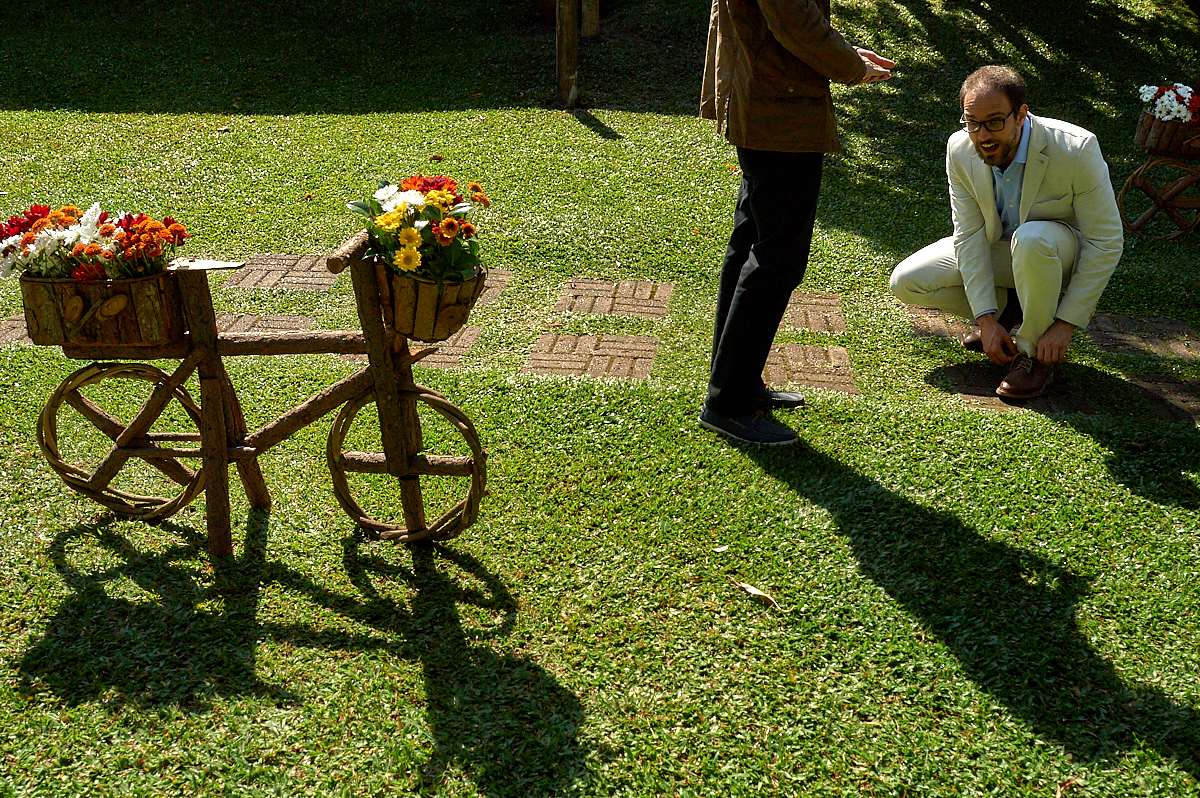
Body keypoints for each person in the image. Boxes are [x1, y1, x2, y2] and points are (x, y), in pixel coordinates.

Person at [698, 0, 894, 446]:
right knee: (776, 257)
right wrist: (851, 66)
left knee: (752, 243)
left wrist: (846, 54)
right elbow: (793, 19)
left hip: (765, 96)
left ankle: (735, 383)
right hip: (776, 107)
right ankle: (727, 403)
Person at [890, 66, 1123, 399]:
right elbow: (969, 235)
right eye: (972, 122)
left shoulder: (1076, 147)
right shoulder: (960, 148)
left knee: (1031, 239)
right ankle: (1007, 312)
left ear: (1021, 115)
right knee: (907, 280)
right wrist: (986, 319)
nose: (983, 135)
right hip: (1004, 250)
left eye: (995, 122)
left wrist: (1066, 322)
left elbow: (1106, 241)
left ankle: (1034, 356)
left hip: (1057, 255)